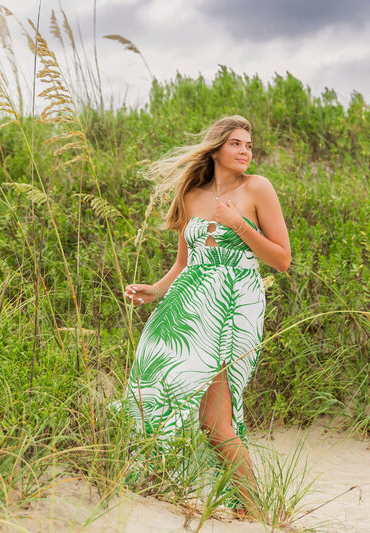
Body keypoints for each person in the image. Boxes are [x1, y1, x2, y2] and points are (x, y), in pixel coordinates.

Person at [115, 115, 291, 519]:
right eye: (236, 143)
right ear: (215, 149)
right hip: (186, 308)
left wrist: (238, 225)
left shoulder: (258, 189)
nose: (246, 151)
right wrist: (154, 291)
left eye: (249, 144)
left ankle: (255, 510)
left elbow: (281, 260)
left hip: (232, 307)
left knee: (216, 418)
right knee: (155, 393)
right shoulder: (192, 195)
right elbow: (183, 263)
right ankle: (148, 484)